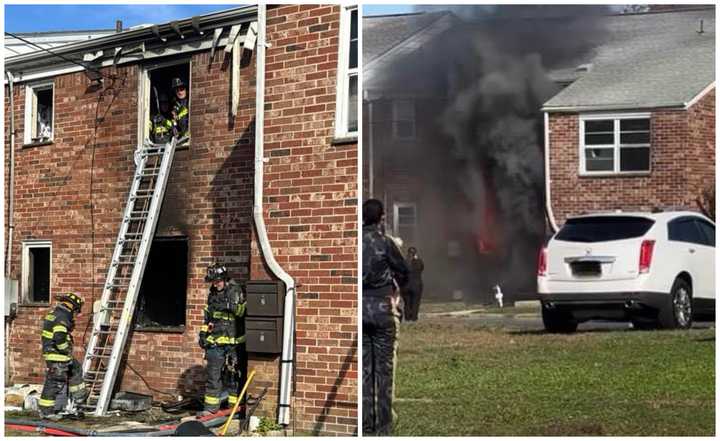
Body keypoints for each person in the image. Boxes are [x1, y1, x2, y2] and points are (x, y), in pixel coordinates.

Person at [362, 199, 409, 435]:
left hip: (360, 311)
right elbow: (404, 272)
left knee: (365, 371)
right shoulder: (385, 243)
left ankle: (366, 425)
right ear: (381, 218)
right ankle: (384, 427)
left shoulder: (355, 243)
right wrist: (395, 291)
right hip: (382, 310)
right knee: (384, 371)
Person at [199, 263, 247, 414]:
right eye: (213, 281)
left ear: (224, 279)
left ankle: (234, 410)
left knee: (233, 377)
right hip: (215, 343)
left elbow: (241, 313)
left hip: (233, 343)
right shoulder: (212, 294)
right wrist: (203, 334)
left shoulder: (236, 290)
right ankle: (210, 410)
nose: (215, 283)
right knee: (213, 377)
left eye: (217, 280)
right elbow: (208, 318)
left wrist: (230, 305)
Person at [38, 293, 88, 419]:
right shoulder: (63, 316)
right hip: (57, 356)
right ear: (73, 306)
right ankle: (46, 412)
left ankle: (78, 404)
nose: (76, 313)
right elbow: (59, 338)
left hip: (58, 355)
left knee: (76, 369)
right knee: (55, 382)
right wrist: (66, 351)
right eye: (76, 310)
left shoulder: (56, 313)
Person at [404, 247, 425, 321]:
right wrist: (416, 259)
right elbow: (422, 268)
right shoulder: (419, 262)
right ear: (415, 254)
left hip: (406, 285)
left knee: (407, 303)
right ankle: (413, 317)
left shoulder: (405, 262)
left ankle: (407, 317)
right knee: (415, 302)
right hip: (417, 285)